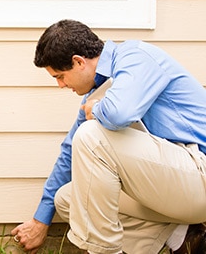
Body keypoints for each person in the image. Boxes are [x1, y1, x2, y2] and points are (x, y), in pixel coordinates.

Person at [11, 19, 206, 254]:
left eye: (60, 76)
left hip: (198, 174)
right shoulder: (96, 95)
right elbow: (69, 153)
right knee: (67, 199)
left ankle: (105, 251)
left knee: (91, 135)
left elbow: (120, 113)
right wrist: (41, 219)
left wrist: (96, 110)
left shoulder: (135, 56)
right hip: (172, 189)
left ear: (78, 61)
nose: (61, 85)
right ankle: (181, 236)